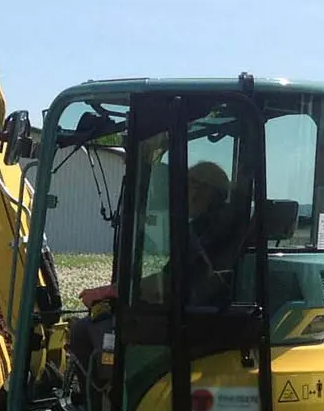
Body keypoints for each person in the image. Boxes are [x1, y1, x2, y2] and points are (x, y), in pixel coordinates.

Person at [68, 161, 232, 377]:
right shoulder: (214, 228)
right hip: (200, 315)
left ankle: (104, 402)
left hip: (197, 323)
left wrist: (110, 291)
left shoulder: (211, 234)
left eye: (189, 184)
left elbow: (170, 282)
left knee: (87, 330)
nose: (180, 192)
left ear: (203, 190)